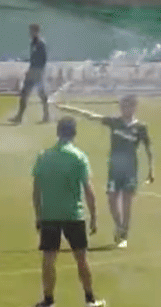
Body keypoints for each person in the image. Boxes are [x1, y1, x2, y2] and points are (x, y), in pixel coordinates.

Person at [28, 116, 106, 307]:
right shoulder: (79, 157)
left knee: (49, 258)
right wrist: (94, 216)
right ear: (74, 133)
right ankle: (90, 301)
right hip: (73, 214)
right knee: (81, 258)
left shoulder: (44, 156)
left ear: (57, 132)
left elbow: (36, 191)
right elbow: (88, 190)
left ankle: (48, 302)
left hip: (49, 215)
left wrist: (38, 215)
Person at [56, 95, 153, 248]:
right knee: (112, 199)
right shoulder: (115, 122)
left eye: (127, 106)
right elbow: (90, 116)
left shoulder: (140, 127)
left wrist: (151, 170)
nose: (123, 109)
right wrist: (67, 108)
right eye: (122, 106)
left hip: (130, 169)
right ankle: (119, 226)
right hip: (114, 168)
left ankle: (123, 234)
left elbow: (148, 148)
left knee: (127, 202)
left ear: (134, 107)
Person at [9, 23, 49, 124]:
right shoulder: (33, 43)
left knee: (38, 94)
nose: (30, 33)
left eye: (31, 31)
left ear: (36, 31)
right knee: (28, 93)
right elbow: (33, 59)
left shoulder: (41, 44)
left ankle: (46, 115)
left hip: (37, 72)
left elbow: (43, 60)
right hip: (33, 71)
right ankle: (20, 116)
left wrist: (37, 71)